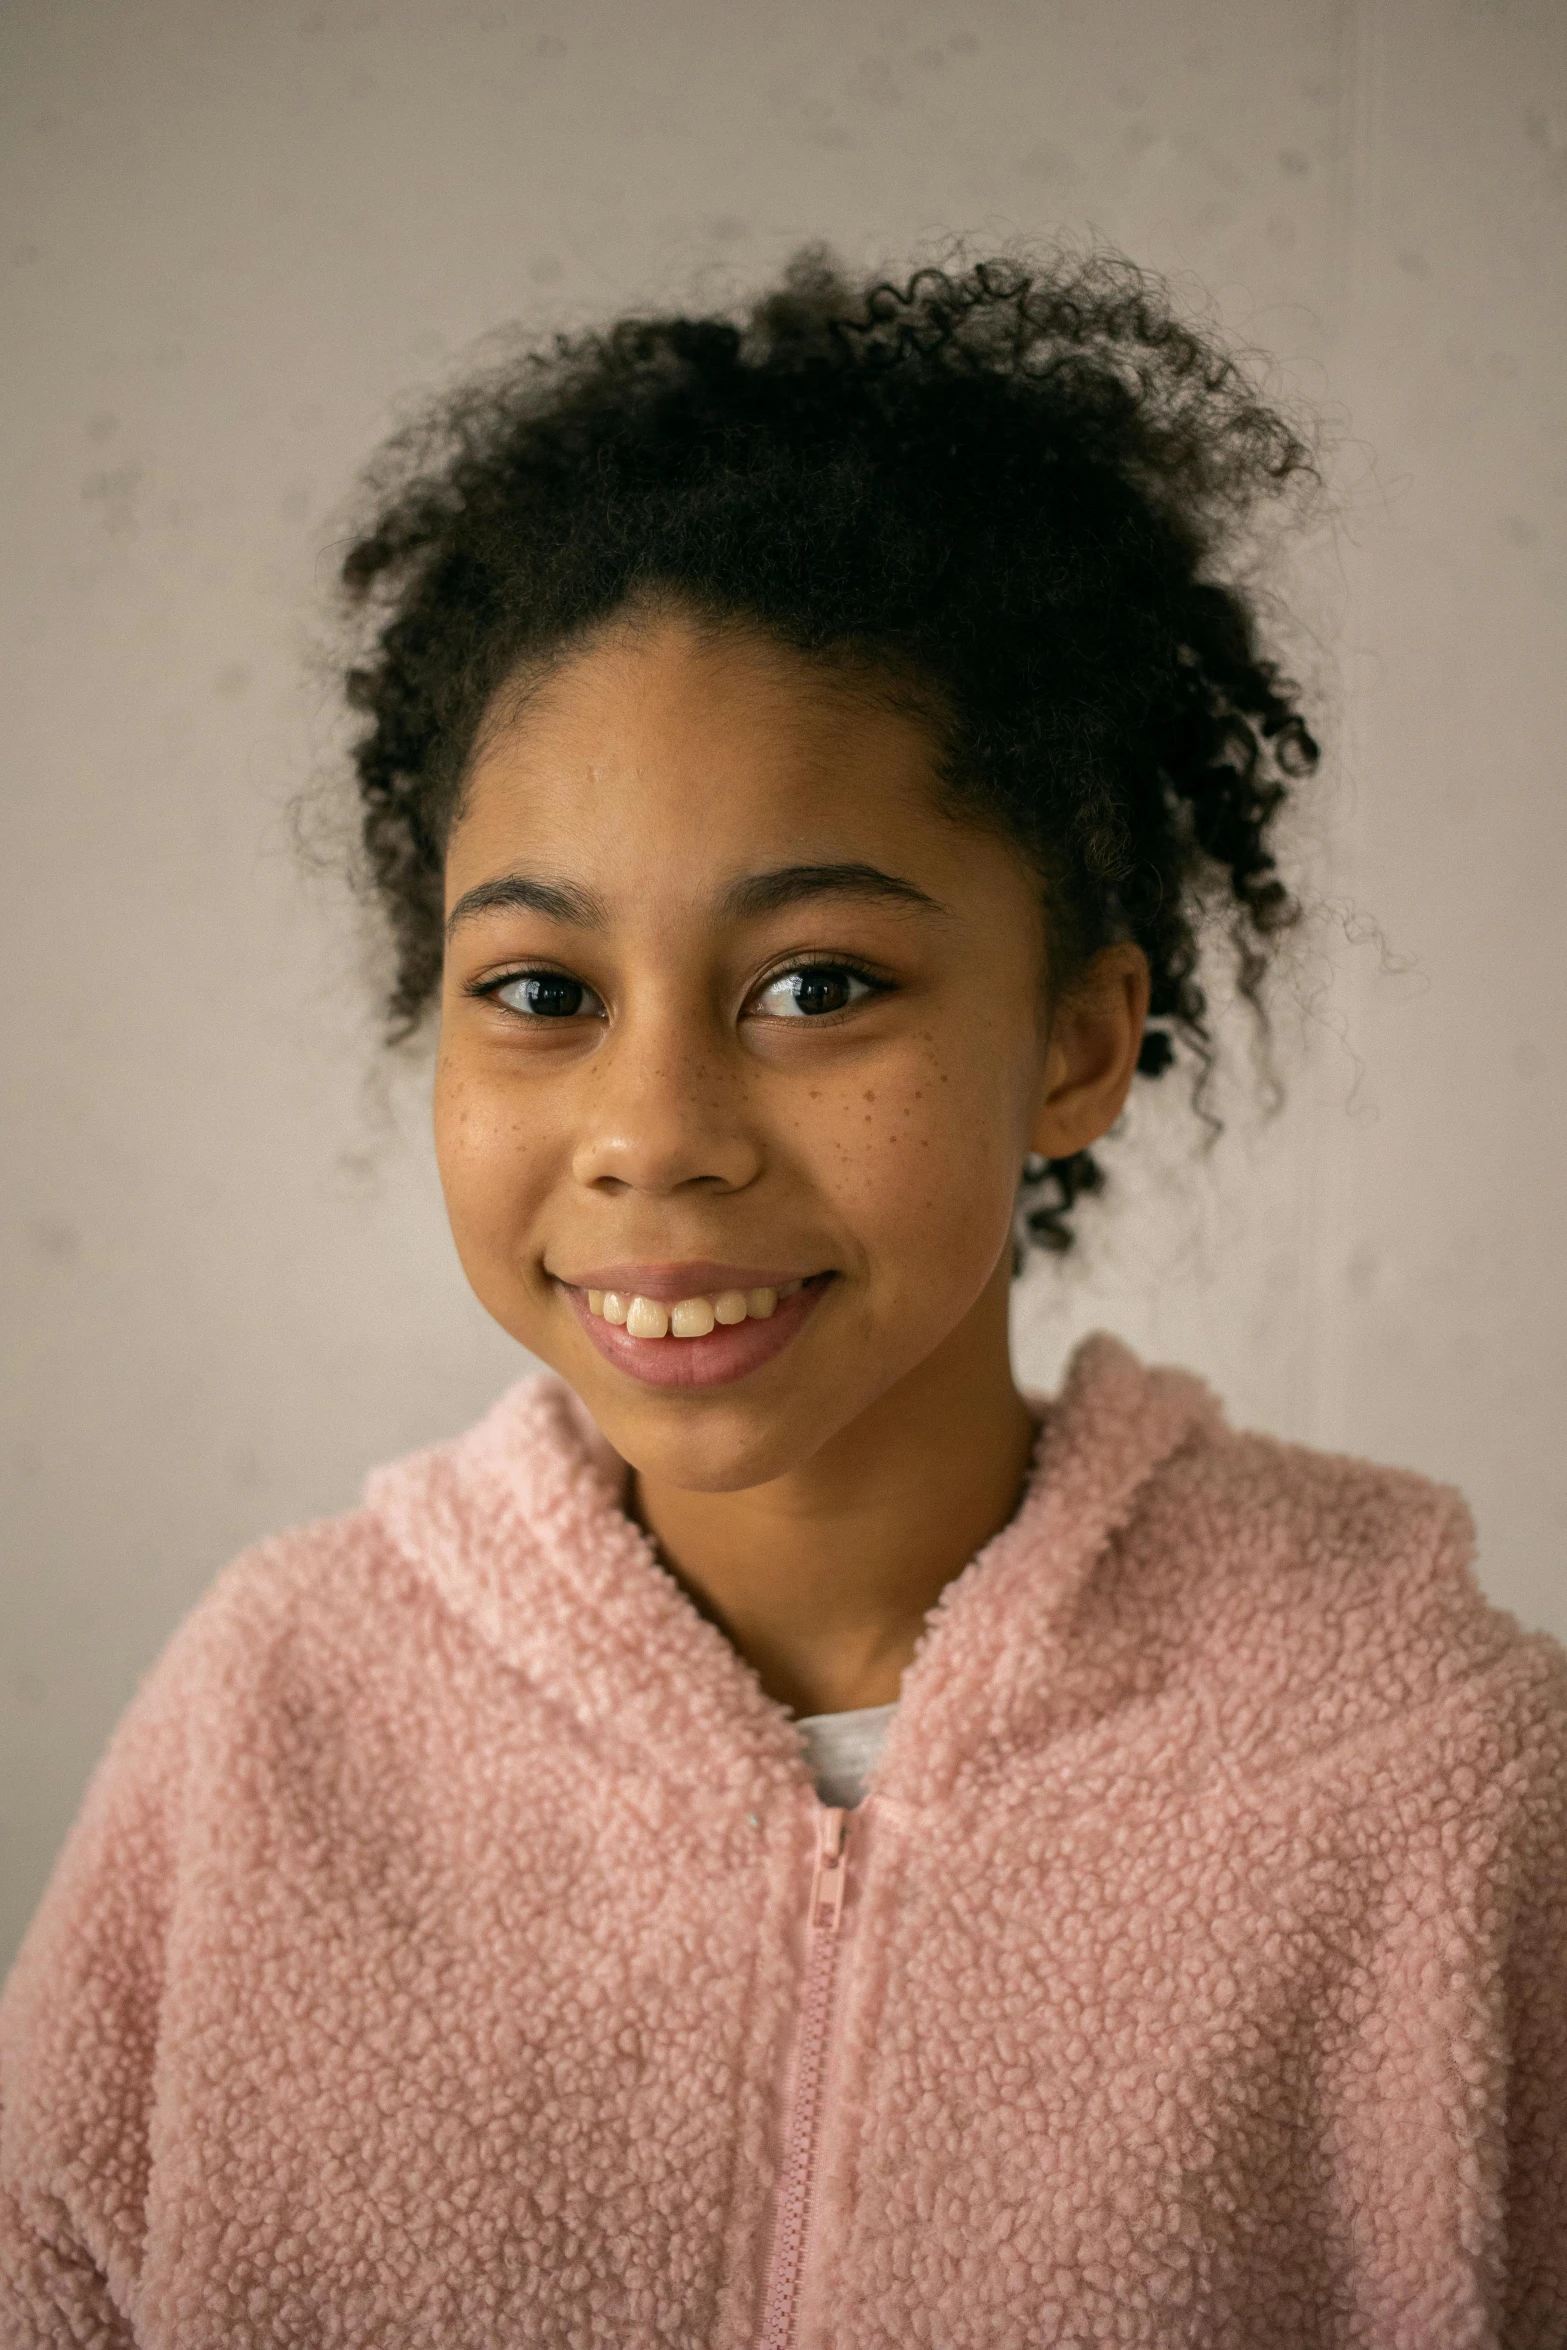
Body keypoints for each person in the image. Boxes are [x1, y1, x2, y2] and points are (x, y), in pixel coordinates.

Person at [2, 251, 1563, 2350]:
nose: (655, 1129)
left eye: (817, 984)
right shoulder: (274, 1720)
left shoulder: (1433, 1771)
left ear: (1082, 1042)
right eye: (541, 992)